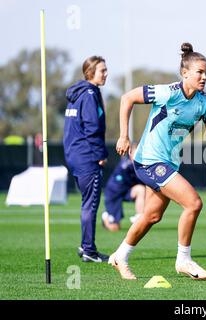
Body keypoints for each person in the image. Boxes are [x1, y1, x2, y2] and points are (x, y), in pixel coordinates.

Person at [109, 43, 206, 280]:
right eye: (200, 72)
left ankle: (120, 256)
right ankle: (183, 260)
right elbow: (127, 98)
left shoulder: (204, 102)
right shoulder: (167, 92)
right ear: (185, 73)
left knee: (152, 216)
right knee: (193, 203)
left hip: (168, 164)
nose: (204, 76)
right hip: (149, 160)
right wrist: (124, 135)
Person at [63, 56, 109, 263]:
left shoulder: (78, 94)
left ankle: (86, 246)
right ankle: (89, 250)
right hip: (86, 156)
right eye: (102, 70)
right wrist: (100, 155)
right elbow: (92, 128)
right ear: (90, 72)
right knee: (90, 204)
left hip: (74, 155)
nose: (106, 74)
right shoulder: (89, 94)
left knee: (86, 202)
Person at [101, 144, 145, 232]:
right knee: (115, 228)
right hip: (114, 194)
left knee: (141, 189)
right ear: (130, 153)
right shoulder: (125, 165)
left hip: (127, 191)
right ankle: (106, 216)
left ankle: (139, 218)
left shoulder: (141, 165)